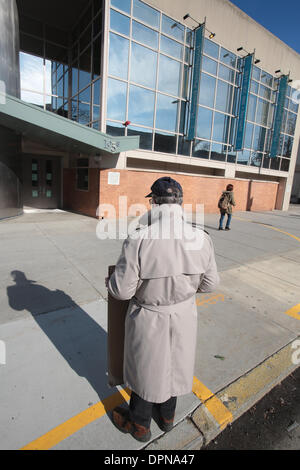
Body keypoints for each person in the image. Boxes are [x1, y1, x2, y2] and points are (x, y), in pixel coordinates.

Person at [106, 176, 220, 443]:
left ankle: (140, 425)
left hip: (149, 316)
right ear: (179, 202)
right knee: (175, 366)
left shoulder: (139, 239)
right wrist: (185, 291)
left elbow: (122, 290)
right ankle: (168, 418)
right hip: (183, 314)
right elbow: (211, 283)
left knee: (147, 371)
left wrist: (111, 282)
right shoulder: (201, 238)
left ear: (154, 202)